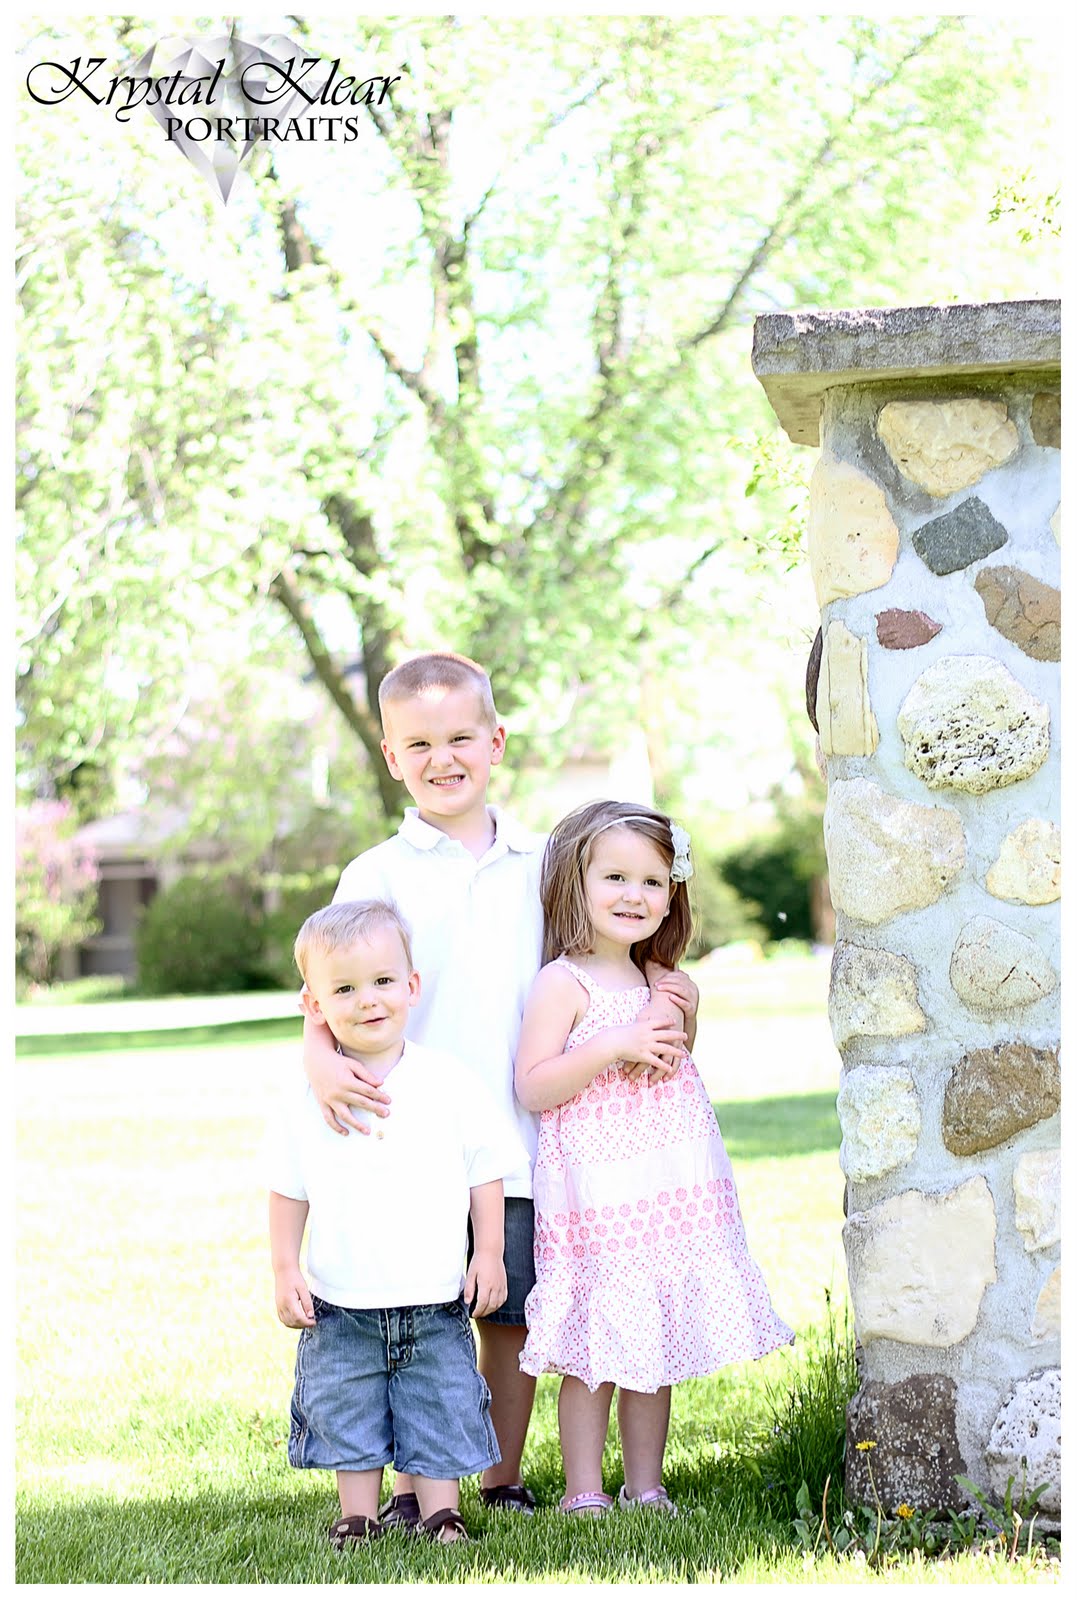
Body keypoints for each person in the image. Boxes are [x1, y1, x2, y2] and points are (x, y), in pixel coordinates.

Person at [301, 650, 699, 1525]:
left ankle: (500, 1478)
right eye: (418, 744)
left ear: (496, 742)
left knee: (510, 1316)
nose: (442, 758)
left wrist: (668, 988)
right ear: (391, 756)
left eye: (459, 738)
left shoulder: (544, 862)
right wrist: (319, 1057)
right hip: (404, 1138)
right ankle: (411, 1492)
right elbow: (327, 979)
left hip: (522, 1137)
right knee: (412, 1314)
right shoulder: (376, 872)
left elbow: (609, 943)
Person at [516, 799, 794, 1517]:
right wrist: (611, 1044)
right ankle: (583, 1488)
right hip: (597, 1189)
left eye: (651, 881)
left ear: (672, 893)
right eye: (615, 878)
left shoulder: (659, 976)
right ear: (575, 883)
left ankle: (646, 1485)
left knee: (654, 1338)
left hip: (666, 1183)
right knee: (595, 1339)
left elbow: (674, 1062)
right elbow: (533, 1084)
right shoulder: (563, 982)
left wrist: (686, 1014)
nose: (633, 895)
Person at [266, 899, 527, 1546]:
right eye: (344, 989)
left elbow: (485, 1172)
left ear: (411, 986)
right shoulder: (306, 1094)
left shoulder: (448, 1082)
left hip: (434, 1295)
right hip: (340, 1300)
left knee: (438, 1401)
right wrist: (284, 1267)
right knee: (346, 1407)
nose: (367, 1000)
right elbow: (287, 1186)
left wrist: (488, 1252)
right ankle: (356, 1514)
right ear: (314, 1005)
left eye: (382, 981)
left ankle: (441, 1513)